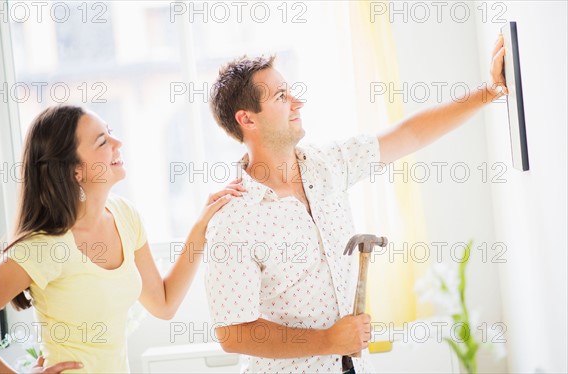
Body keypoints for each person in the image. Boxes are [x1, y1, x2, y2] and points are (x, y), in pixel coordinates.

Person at [204, 37, 507, 373]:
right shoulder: (232, 220)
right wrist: (327, 341)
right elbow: (232, 334)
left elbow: (409, 135)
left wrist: (491, 90)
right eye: (281, 96)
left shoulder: (329, 164)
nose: (297, 102)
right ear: (247, 119)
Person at [0, 105, 245, 373]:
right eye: (102, 141)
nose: (118, 142)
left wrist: (200, 228)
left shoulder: (125, 216)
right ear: (74, 170)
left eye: (110, 132)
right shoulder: (45, 247)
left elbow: (163, 303)